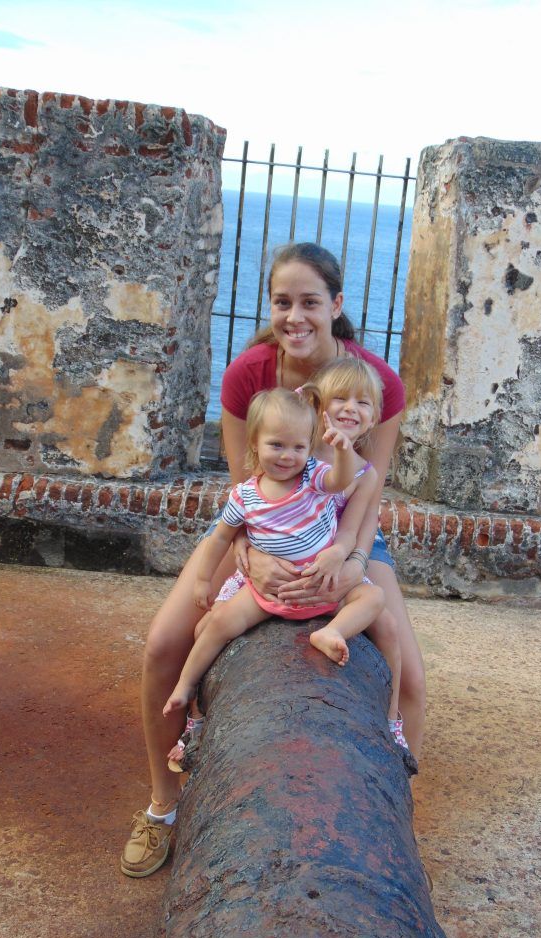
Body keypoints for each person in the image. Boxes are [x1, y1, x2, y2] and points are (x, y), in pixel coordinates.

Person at [120, 242, 427, 879]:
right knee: (161, 646)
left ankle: (397, 826)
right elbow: (245, 485)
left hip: (346, 532)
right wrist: (249, 558)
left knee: (414, 677)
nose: (296, 316)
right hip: (261, 529)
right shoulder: (249, 375)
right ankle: (161, 804)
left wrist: (347, 559)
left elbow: (371, 492)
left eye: (310, 302)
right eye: (282, 302)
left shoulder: (375, 384)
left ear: (336, 306)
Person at [161, 384, 406, 760]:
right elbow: (220, 537)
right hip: (270, 592)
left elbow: (341, 481)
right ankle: (186, 692)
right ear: (255, 444)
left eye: (298, 447)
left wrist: (341, 449)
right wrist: (202, 579)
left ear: (309, 449)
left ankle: (333, 633)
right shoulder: (245, 495)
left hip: (322, 586)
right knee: (216, 624)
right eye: (277, 445)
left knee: (373, 597)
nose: (288, 456)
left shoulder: (313, 476)